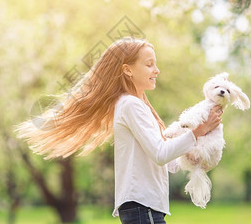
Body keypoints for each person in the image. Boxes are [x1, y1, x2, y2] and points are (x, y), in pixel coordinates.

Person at [17, 37, 222, 223]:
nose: (156, 70)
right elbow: (160, 154)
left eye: (155, 64)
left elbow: (164, 162)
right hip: (143, 208)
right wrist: (197, 132)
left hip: (146, 208)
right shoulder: (130, 105)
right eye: (149, 64)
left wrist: (193, 156)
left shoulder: (136, 105)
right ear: (128, 70)